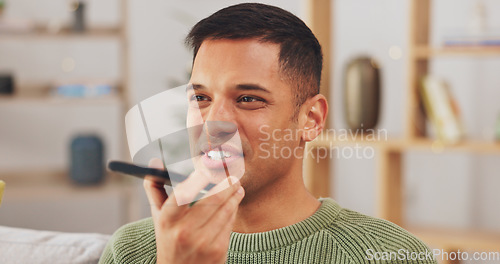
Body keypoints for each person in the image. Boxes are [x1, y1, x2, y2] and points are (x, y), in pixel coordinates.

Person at [99, 3, 436, 264]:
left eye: (248, 99)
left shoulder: (393, 254)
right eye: (200, 98)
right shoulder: (132, 251)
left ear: (312, 119)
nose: (214, 122)